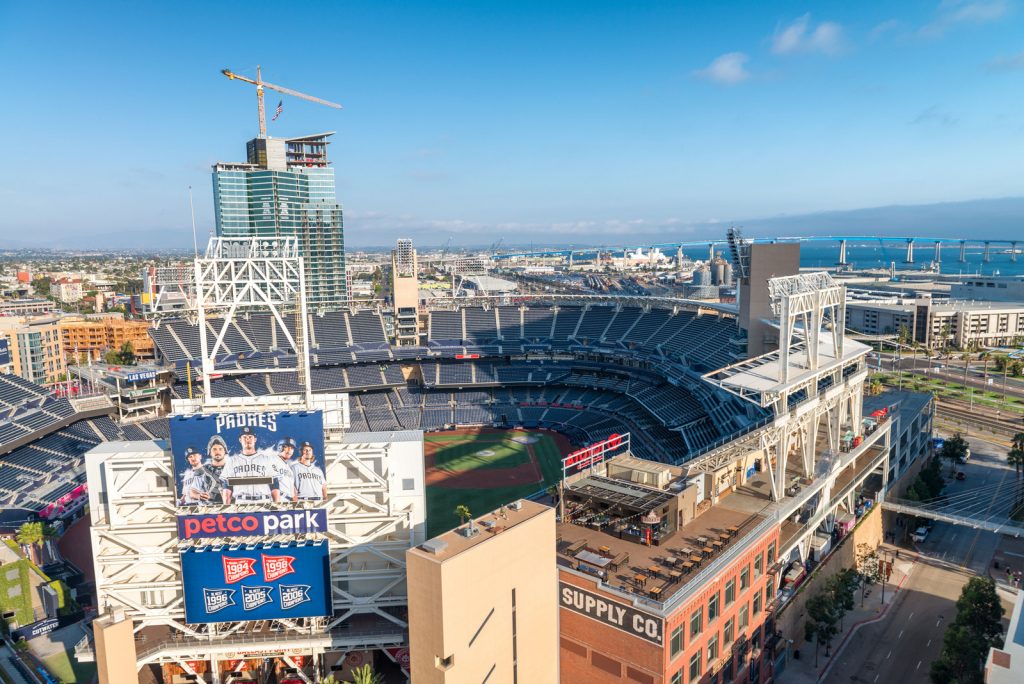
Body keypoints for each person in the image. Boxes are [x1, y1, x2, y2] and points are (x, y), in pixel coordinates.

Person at [221, 426, 281, 504]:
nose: (247, 439)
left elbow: (275, 484)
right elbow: (227, 487)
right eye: (244, 437)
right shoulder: (232, 461)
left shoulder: (267, 459)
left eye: (250, 437)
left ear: (255, 439)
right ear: (240, 440)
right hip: (241, 502)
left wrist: (277, 505)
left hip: (263, 501)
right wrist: (226, 507)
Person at [274, 437, 298, 502]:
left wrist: (295, 503)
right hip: (280, 499)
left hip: (289, 501)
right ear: (280, 448)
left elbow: (293, 488)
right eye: (287, 447)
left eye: (292, 448)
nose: (290, 450)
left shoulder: (288, 468)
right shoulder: (273, 461)